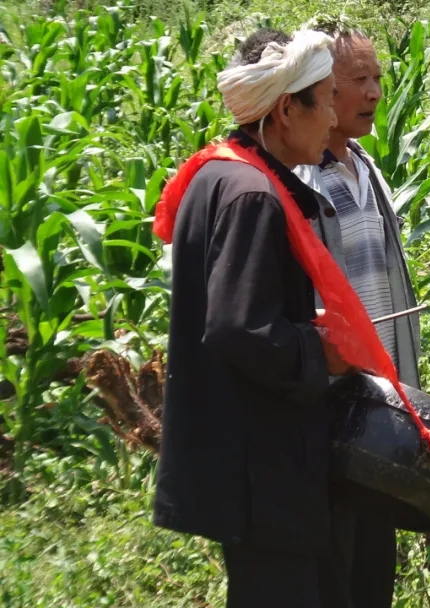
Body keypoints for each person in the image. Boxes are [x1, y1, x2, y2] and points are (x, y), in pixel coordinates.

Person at [152, 28, 349, 607]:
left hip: (243, 461)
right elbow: (239, 327)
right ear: (289, 109)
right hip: (263, 470)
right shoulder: (253, 195)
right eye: (330, 98)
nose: (335, 118)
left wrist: (295, 321)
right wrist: (321, 353)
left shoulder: (219, 174)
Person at [294, 23, 420, 608]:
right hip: (332, 402)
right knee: (333, 563)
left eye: (377, 78)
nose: (374, 93)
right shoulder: (300, 179)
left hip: (381, 399)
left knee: (375, 561)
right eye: (358, 79)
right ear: (318, 89)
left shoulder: (367, 167)